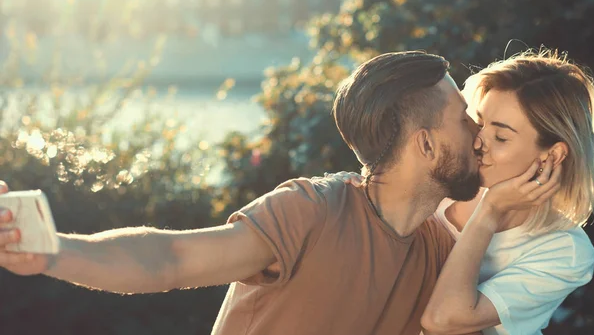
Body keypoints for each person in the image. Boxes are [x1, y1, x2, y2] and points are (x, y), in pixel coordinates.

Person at [0, 51, 485, 335]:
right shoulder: (312, 212)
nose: (478, 132)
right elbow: (170, 258)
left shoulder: (443, 252)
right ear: (425, 143)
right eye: (465, 119)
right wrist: (54, 251)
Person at [332, 49, 594, 335]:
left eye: (501, 136)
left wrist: (490, 211)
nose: (479, 141)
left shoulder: (563, 251)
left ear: (552, 155)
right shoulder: (442, 185)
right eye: (479, 122)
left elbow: (443, 319)